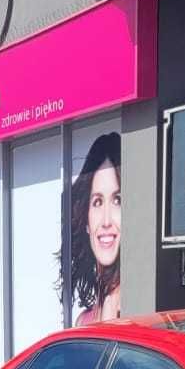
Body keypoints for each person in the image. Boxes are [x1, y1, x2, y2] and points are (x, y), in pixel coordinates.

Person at [64, 132, 123, 325]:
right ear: (86, 220)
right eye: (97, 202)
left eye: (117, 200)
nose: (106, 221)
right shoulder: (83, 321)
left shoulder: (135, 312)